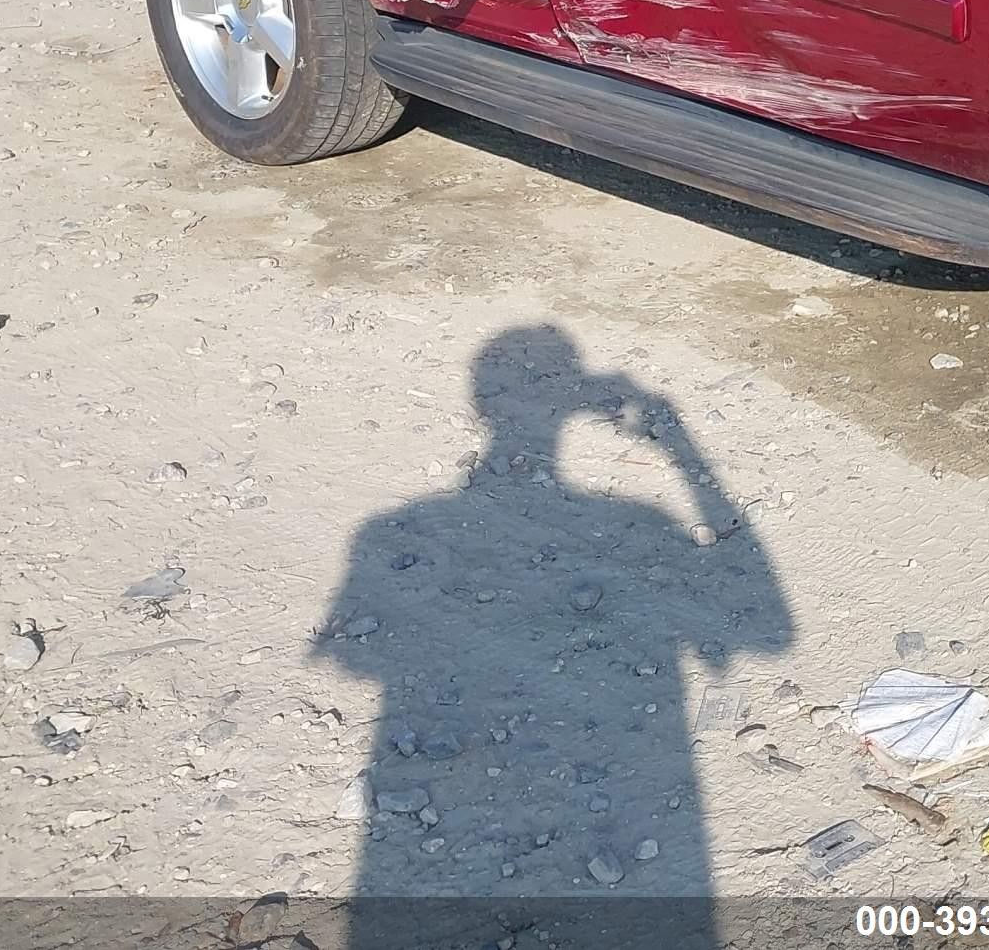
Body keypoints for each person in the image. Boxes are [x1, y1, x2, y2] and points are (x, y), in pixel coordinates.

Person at [315, 324, 791, 948]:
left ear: (480, 403)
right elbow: (767, 629)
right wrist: (681, 450)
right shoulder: (640, 521)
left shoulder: (394, 530)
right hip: (624, 805)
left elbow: (351, 655)